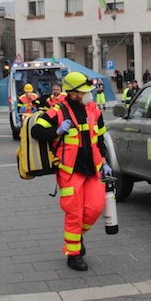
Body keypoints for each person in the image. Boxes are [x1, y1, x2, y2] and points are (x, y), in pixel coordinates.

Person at [31, 71, 112, 271]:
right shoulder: (57, 111)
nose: (89, 95)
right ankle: (73, 254)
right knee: (74, 213)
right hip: (70, 171)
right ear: (73, 93)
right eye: (85, 92)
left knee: (94, 208)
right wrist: (56, 131)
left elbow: (100, 137)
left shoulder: (94, 109)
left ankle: (77, 237)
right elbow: (36, 131)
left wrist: (105, 160)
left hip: (93, 168)